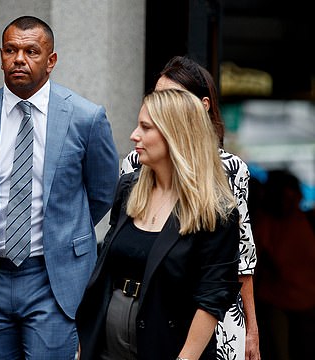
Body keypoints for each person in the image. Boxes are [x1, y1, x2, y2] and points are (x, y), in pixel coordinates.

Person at [0, 15, 118, 359]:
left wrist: (63, 228)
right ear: (0, 56)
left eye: (31, 51)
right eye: (10, 50)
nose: (19, 59)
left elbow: (101, 194)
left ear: (51, 60)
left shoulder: (86, 118)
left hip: (54, 279)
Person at [77, 89, 241, 360]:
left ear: (175, 134)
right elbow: (106, 267)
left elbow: (212, 298)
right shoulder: (129, 188)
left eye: (145, 127)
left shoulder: (216, 210)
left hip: (168, 347)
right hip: (107, 347)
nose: (134, 135)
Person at [120, 56, 260, 360]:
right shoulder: (134, 166)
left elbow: (243, 255)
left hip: (218, 310)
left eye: (173, 97)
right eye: (158, 96)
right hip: (151, 309)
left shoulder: (230, 169)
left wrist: (252, 329)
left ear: (202, 106)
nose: (162, 105)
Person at [253, 169, 315, 360]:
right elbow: (253, 265)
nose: (290, 201)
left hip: (307, 300)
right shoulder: (264, 224)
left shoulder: (308, 220)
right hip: (276, 301)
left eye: (293, 196)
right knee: (280, 351)